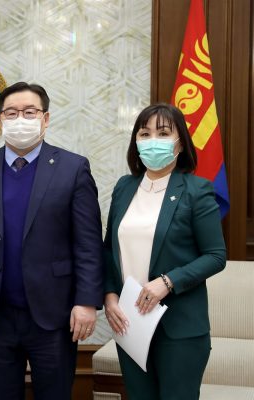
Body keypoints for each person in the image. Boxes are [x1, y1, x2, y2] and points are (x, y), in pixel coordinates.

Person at [0, 82, 103, 399]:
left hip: (54, 313)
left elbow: (88, 243)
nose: (20, 119)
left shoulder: (73, 168)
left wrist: (86, 301)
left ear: (45, 118)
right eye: (12, 113)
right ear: (0, 119)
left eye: (29, 112)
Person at [103, 103, 226, 400]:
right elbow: (108, 250)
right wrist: (109, 296)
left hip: (179, 328)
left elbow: (215, 256)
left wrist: (168, 282)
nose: (152, 140)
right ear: (135, 141)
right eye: (144, 134)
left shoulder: (197, 190)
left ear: (180, 143)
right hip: (130, 322)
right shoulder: (124, 187)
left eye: (163, 133)